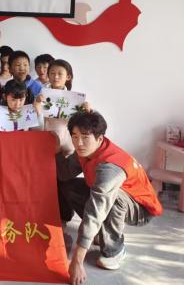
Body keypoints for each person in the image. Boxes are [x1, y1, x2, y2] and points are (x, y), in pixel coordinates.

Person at [57, 111, 162, 285]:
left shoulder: (110, 168)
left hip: (140, 208)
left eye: (85, 137)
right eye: (74, 136)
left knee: (112, 199)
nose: (79, 143)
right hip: (110, 197)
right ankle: (98, 231)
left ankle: (115, 249)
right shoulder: (84, 150)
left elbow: (95, 211)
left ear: (99, 138)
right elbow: (64, 173)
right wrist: (57, 152)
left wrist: (77, 260)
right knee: (69, 185)